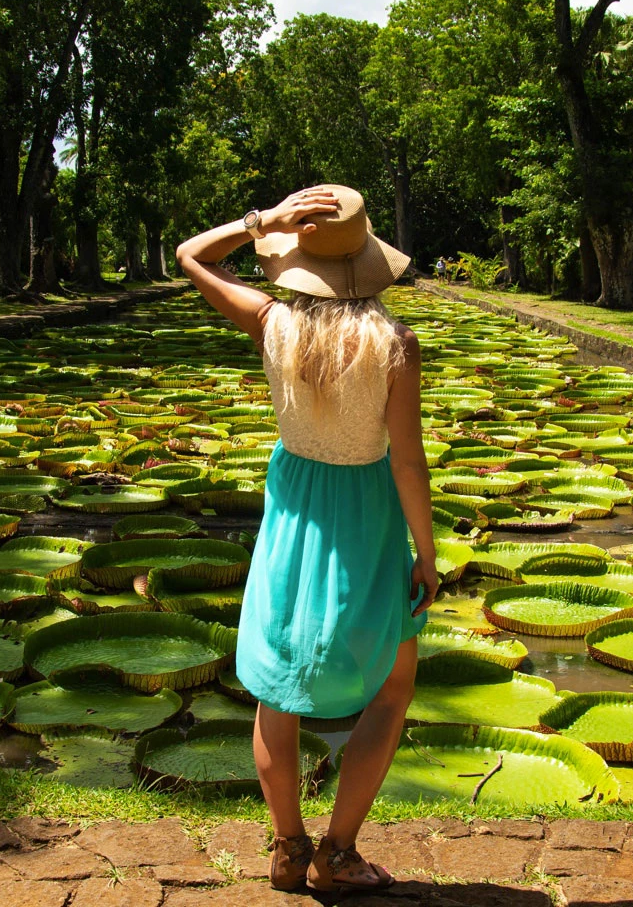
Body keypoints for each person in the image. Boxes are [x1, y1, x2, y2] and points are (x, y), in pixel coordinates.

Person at [175, 184, 439, 894]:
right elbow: (409, 461)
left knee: (277, 692)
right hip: (369, 518)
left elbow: (190, 255)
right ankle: (339, 852)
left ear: (296, 256)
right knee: (391, 688)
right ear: (369, 261)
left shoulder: (271, 323)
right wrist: (428, 552)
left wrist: (258, 222)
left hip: (293, 514)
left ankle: (288, 850)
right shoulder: (396, 346)